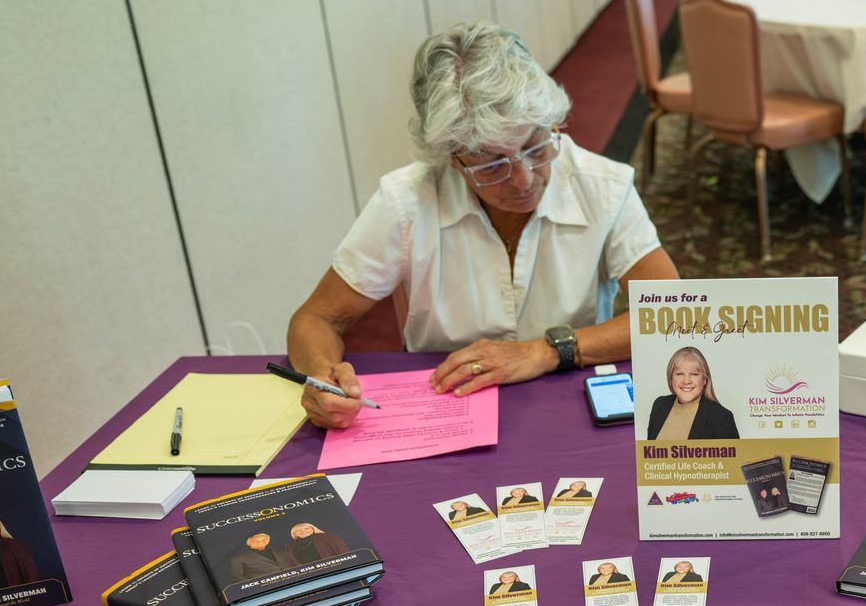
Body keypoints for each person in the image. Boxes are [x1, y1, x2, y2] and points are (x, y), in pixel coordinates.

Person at [286, 22, 681, 429]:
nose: (525, 179)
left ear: (553, 123)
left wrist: (545, 351)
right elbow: (317, 318)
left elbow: (673, 316)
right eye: (493, 164)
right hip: (449, 404)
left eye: (535, 146)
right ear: (453, 159)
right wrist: (320, 373)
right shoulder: (406, 201)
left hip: (569, 395)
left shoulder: (602, 187)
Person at [646, 347, 741, 440]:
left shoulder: (722, 418)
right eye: (679, 374)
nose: (686, 381)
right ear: (671, 379)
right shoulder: (659, 405)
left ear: (704, 379)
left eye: (694, 374)